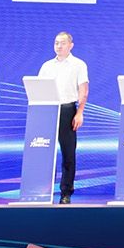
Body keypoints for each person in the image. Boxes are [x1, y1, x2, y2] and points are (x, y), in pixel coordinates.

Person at [38, 31, 88, 204]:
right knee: (43, 150)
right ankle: (41, 191)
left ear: (71, 45)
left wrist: (80, 112)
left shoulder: (78, 64)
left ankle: (66, 192)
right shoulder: (47, 66)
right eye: (56, 43)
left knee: (68, 153)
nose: (59, 46)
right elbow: (39, 88)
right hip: (47, 110)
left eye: (62, 43)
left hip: (67, 110)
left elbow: (83, 90)